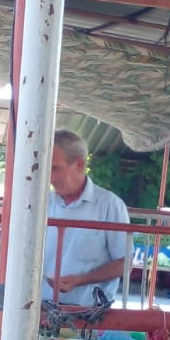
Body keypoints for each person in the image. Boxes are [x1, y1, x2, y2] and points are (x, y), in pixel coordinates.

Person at [43, 129, 130, 306]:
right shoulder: (42, 204)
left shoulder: (109, 205)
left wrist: (81, 280)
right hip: (39, 308)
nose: (49, 177)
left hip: (88, 312)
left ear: (79, 164)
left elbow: (124, 263)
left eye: (55, 168)